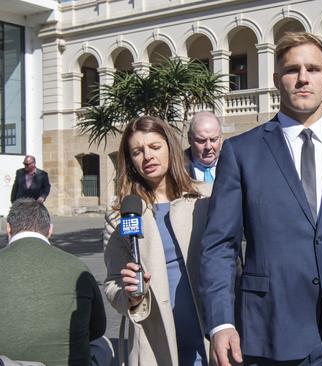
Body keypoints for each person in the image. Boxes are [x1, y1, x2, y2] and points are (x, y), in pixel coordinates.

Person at [200, 32, 322, 366]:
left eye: (313, 69)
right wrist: (221, 321)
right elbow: (220, 246)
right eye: (292, 69)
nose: (303, 78)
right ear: (275, 79)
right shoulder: (242, 153)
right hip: (272, 331)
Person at [104, 115, 211, 365]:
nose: (147, 157)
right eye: (137, 151)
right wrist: (129, 296)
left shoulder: (206, 197)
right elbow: (112, 283)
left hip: (208, 335)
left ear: (170, 148)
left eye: (155, 147)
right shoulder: (121, 214)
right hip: (155, 342)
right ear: (130, 161)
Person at [0, 199, 109, 366]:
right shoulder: (77, 266)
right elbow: (97, 328)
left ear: (8, 228)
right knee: (103, 345)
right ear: (50, 230)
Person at [185, 111, 223, 184]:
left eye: (213, 140)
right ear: (189, 139)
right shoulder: (177, 167)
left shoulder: (233, 165)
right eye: (201, 141)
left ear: (221, 139)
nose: (208, 147)